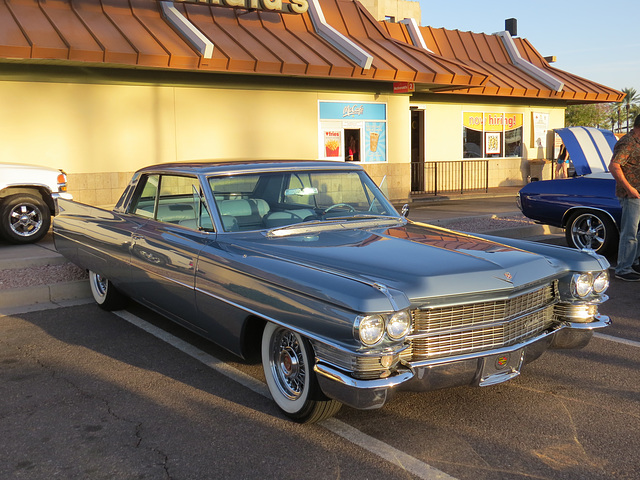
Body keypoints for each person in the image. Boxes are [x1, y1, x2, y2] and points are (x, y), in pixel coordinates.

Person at [608, 114, 640, 281]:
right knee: (630, 232)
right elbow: (614, 166)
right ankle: (623, 269)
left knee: (636, 232)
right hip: (631, 195)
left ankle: (633, 261)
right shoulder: (628, 142)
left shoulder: (638, 142)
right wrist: (630, 189)